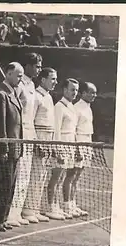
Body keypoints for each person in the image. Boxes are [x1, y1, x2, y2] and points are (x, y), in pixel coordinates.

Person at [0, 62, 24, 231]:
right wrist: (3, 149)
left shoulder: (13, 94)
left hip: (16, 148)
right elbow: (0, 124)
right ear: (8, 74)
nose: (20, 79)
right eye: (18, 75)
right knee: (1, 185)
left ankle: (3, 217)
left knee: (9, 186)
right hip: (6, 149)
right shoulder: (1, 95)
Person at [7, 53, 42, 226]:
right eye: (37, 65)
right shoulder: (19, 85)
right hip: (20, 134)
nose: (39, 69)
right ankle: (10, 213)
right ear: (28, 66)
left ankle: (18, 212)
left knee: (26, 175)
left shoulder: (32, 85)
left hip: (30, 134)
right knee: (18, 173)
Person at [22, 67, 58, 221]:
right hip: (38, 137)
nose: (55, 82)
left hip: (48, 137)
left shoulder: (49, 97)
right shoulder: (36, 96)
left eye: (56, 79)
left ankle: (35, 209)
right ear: (43, 80)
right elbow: (31, 120)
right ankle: (28, 210)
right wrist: (37, 142)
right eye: (52, 79)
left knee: (42, 176)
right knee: (34, 175)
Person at [46, 78, 81, 220]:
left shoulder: (71, 107)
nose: (75, 93)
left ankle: (57, 206)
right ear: (64, 90)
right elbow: (57, 130)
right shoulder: (59, 107)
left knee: (61, 178)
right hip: (61, 145)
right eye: (72, 89)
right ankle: (51, 207)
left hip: (70, 145)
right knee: (55, 178)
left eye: (76, 90)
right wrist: (57, 149)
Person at [69, 82, 97, 216]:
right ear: (83, 93)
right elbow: (74, 130)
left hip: (87, 142)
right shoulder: (76, 108)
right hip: (79, 143)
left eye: (95, 93)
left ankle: (73, 204)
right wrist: (77, 149)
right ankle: (67, 205)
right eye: (91, 92)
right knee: (71, 176)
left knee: (77, 177)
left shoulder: (88, 107)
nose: (94, 95)